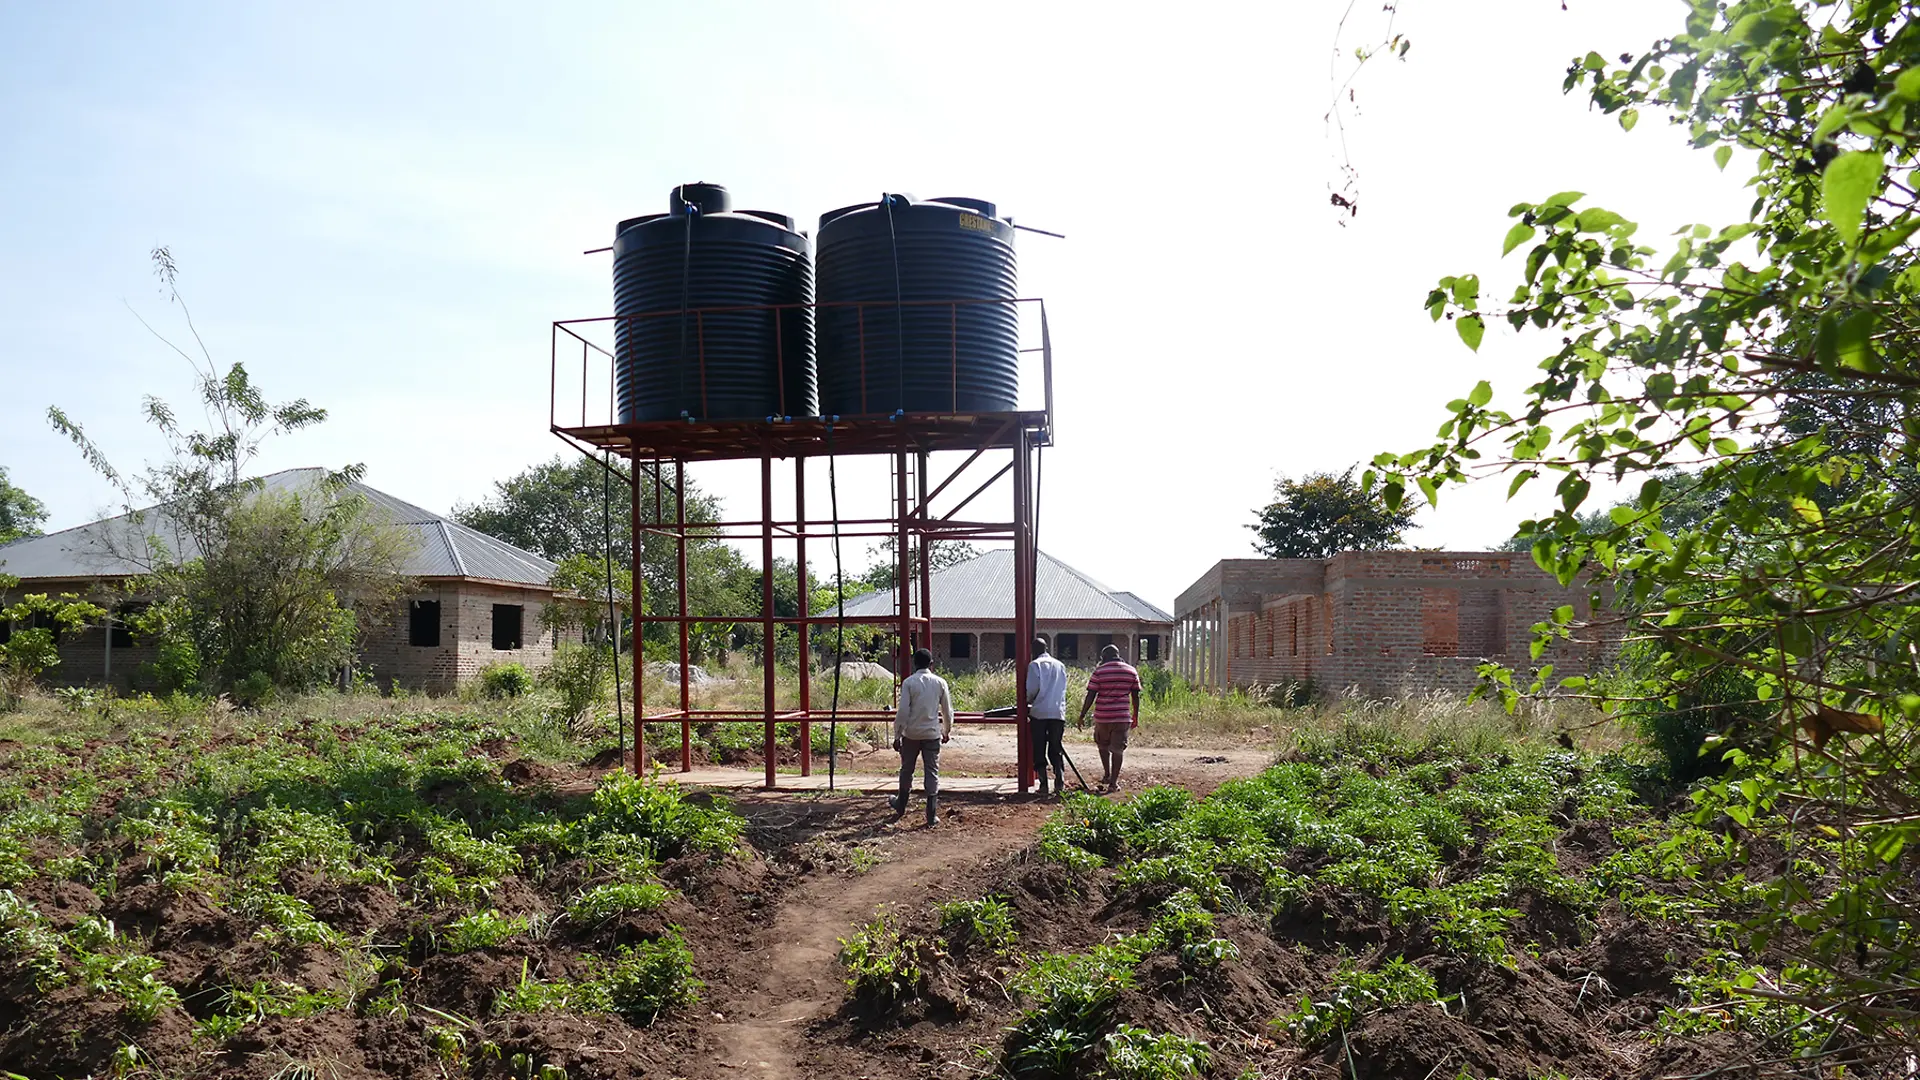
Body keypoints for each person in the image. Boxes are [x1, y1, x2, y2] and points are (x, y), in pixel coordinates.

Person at [891, 647, 953, 825]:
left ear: (914, 663)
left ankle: (901, 805)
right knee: (932, 771)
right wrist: (946, 731)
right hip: (932, 733)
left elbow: (903, 712)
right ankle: (931, 814)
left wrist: (897, 734)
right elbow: (947, 711)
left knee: (906, 769)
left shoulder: (909, 683)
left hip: (911, 733)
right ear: (931, 664)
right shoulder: (940, 683)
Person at [1077, 643, 1141, 791]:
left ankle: (1107, 774)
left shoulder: (1099, 671)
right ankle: (1113, 783)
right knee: (1118, 750)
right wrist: (1135, 715)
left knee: (1103, 746)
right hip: (1121, 717)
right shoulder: (1131, 671)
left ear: (1104, 657)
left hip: (1103, 717)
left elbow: (1091, 695)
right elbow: (1136, 696)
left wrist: (1082, 715)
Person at [1026, 635, 1069, 797]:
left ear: (1033, 650)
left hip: (1039, 712)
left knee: (1039, 747)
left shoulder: (1034, 665)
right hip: (1057, 712)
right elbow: (1063, 688)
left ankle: (1044, 784)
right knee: (1055, 747)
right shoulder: (1060, 665)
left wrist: (1028, 701)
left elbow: (1031, 689)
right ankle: (1059, 781)